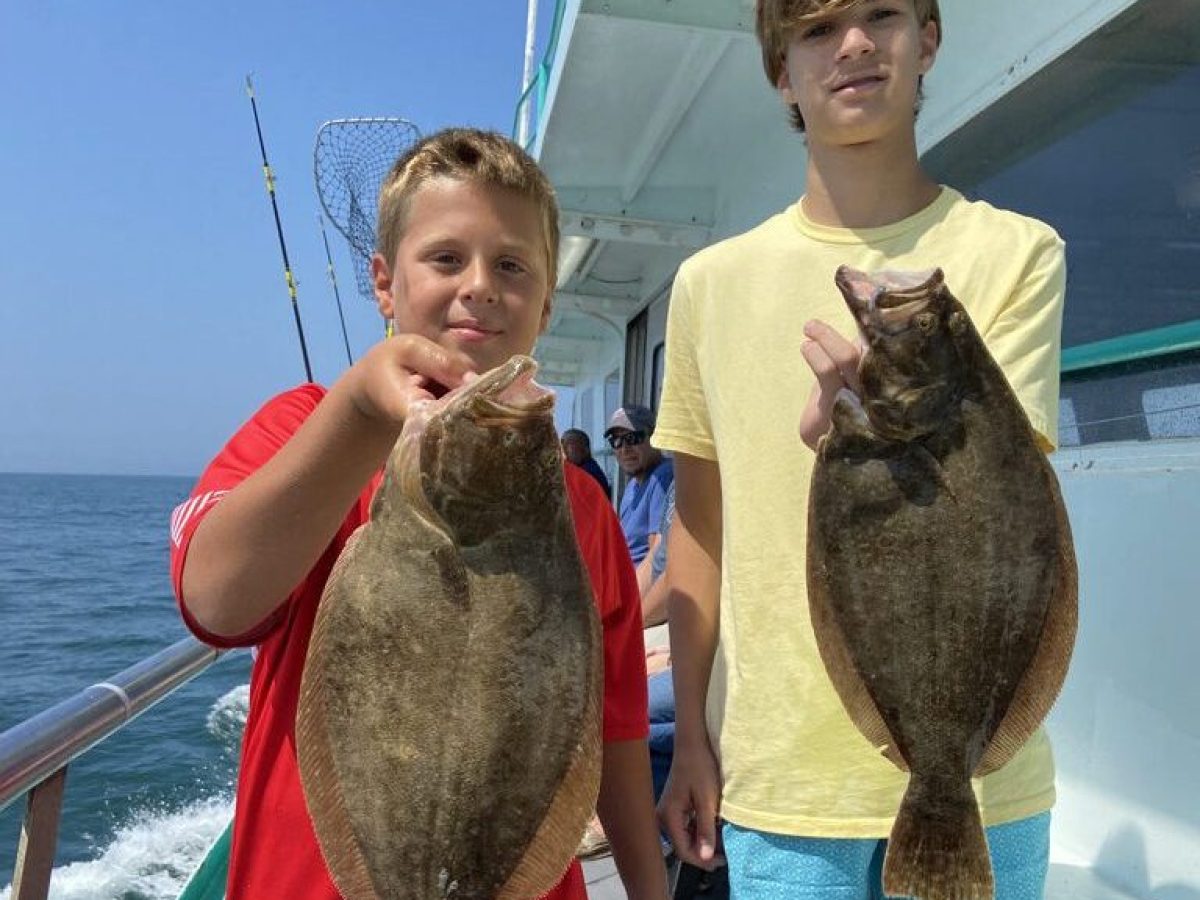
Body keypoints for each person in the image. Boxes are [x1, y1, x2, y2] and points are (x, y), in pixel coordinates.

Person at [169, 128, 668, 900]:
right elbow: (215, 600)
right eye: (445, 258)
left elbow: (615, 728)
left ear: (545, 303)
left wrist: (648, 890)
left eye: (511, 265)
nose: (479, 286)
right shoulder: (310, 430)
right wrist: (359, 413)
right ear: (383, 283)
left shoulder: (584, 509)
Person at [653, 1, 1067, 897]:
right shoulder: (706, 286)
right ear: (780, 71)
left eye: (882, 13)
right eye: (815, 28)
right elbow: (700, 526)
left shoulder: (1020, 252)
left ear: (930, 39)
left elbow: (1008, 489)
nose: (852, 45)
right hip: (785, 780)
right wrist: (691, 732)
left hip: (986, 777)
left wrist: (855, 446)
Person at [605, 405, 674, 598]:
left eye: (632, 438)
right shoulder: (631, 487)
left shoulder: (663, 477)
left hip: (638, 594)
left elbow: (657, 556)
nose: (624, 449)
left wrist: (628, 607)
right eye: (616, 441)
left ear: (654, 437)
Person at [561, 427, 612, 498]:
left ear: (585, 449)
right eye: (562, 447)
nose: (563, 452)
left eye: (568, 446)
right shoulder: (581, 469)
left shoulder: (587, 472)